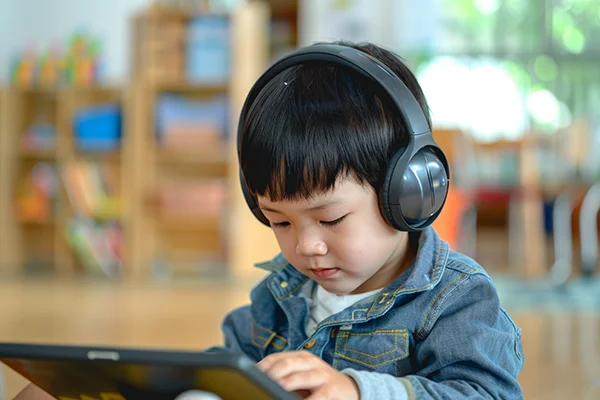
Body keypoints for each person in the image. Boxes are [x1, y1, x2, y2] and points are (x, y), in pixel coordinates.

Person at [16, 41, 524, 399]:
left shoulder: (455, 300)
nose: (306, 247)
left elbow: (487, 394)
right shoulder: (282, 293)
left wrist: (357, 390)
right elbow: (228, 373)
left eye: (330, 219)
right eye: (279, 222)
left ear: (410, 192)